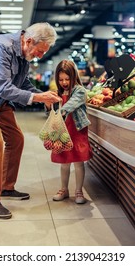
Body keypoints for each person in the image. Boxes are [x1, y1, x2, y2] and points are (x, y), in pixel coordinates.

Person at [0, 22, 61, 219]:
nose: (40, 56)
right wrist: (39, 98)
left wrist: (44, 96)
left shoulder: (25, 53)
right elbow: (4, 88)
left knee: (16, 139)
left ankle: (6, 187)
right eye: (40, 51)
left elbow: (23, 84)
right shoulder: (1, 47)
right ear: (29, 41)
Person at [45, 60, 93, 204]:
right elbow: (52, 112)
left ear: (74, 77)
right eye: (61, 80)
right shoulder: (58, 92)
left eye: (67, 79)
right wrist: (48, 106)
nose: (64, 82)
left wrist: (61, 110)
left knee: (78, 162)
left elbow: (71, 104)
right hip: (62, 131)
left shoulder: (79, 90)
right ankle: (64, 189)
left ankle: (79, 191)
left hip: (77, 130)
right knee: (64, 162)